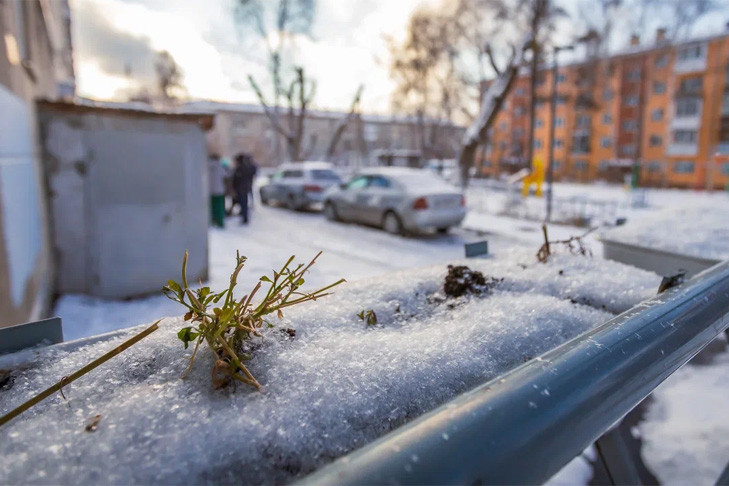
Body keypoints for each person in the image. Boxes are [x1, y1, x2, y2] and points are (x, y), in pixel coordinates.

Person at [232, 153, 257, 224]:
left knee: (243, 203)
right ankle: (244, 216)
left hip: (241, 188)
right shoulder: (246, 167)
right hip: (245, 187)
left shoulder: (240, 168)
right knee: (243, 202)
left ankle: (244, 217)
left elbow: (236, 179)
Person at [208, 153, 226, 228]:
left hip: (210, 190)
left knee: (211, 207)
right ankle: (220, 222)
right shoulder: (219, 165)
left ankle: (212, 221)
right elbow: (225, 175)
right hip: (219, 190)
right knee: (219, 207)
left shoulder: (207, 165)